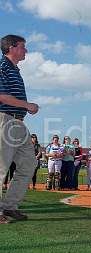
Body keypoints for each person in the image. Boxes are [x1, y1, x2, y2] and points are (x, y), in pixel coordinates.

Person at [0, 34, 39, 224]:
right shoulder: (2, 66)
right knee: (1, 167)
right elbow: (1, 96)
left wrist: (24, 108)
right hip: (5, 119)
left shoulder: (15, 69)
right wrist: (27, 105)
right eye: (23, 46)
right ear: (12, 48)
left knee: (29, 164)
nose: (26, 50)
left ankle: (9, 206)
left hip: (18, 122)